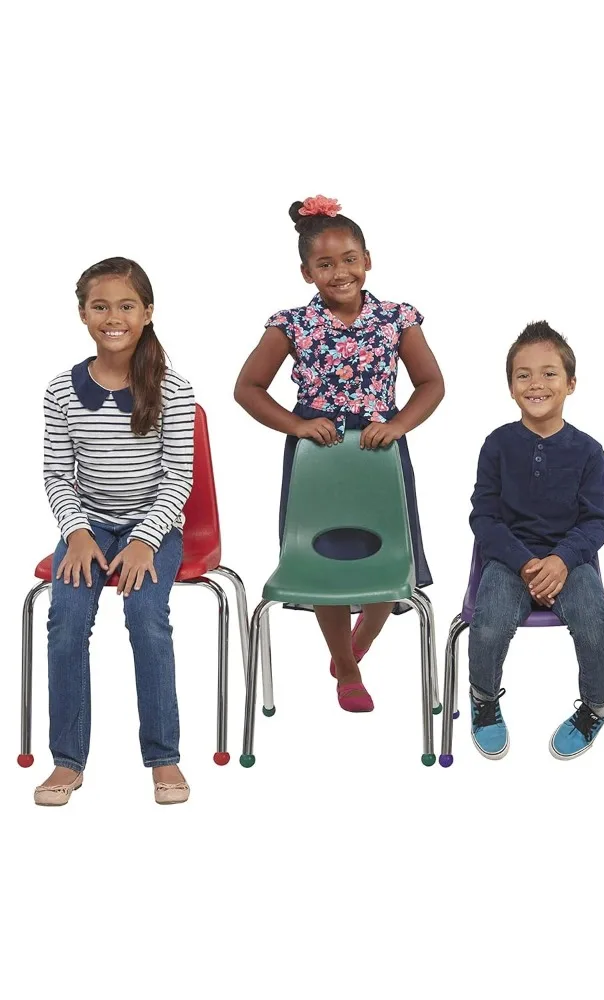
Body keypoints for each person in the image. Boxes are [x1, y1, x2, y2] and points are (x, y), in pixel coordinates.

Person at [234, 196, 444, 712]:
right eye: (324, 264)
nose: (339, 272)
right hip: (319, 466)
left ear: (368, 260)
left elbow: (431, 383)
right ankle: (346, 670)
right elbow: (248, 388)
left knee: (387, 560)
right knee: (325, 560)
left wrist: (396, 425)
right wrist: (299, 425)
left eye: (349, 258)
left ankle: (362, 640)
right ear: (307, 272)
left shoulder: (397, 319)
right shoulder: (291, 325)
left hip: (379, 459)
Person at [36, 258, 195, 806]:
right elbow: (57, 473)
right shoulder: (62, 390)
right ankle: (67, 760)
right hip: (89, 525)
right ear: (83, 314)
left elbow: (178, 478)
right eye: (100, 306)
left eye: (126, 306)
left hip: (155, 527)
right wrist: (77, 534)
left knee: (146, 616)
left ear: (146, 314)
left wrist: (144, 540)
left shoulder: (172, 388)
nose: (113, 317)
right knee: (66, 617)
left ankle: (164, 757)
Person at [467, 321, 604, 760]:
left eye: (549, 373)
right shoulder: (496, 446)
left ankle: (596, 705)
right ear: (511, 387)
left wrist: (562, 560)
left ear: (570, 383)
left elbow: (597, 520)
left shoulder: (589, 451)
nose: (537, 384)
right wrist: (522, 562)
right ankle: (484, 699)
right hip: (509, 561)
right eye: (524, 375)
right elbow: (484, 516)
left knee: (595, 622)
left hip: (569, 562)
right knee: (489, 621)